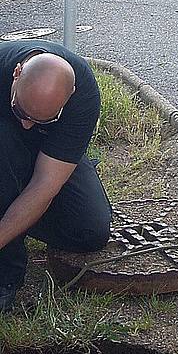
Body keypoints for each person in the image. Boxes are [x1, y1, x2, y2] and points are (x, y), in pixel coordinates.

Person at [0, 40, 112, 311]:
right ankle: (6, 276)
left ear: (69, 95)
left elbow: (45, 184)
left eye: (42, 119)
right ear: (16, 73)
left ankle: (14, 212)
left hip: (50, 153)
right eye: (21, 111)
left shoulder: (83, 95)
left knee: (90, 232)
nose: (27, 125)